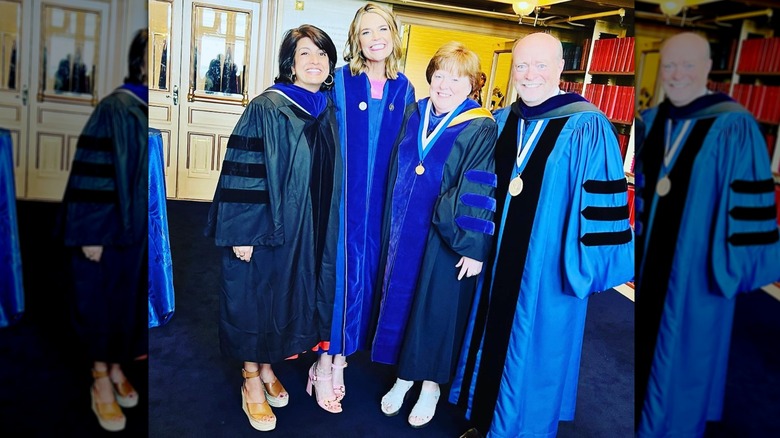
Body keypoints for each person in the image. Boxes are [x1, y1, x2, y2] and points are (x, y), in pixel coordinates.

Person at [449, 32, 634, 438]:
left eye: (540, 65)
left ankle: (522, 430)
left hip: (548, 268)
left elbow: (601, 201)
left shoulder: (588, 125)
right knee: (489, 334)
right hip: (496, 263)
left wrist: (582, 268)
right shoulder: (500, 120)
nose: (529, 74)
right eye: (522, 65)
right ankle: (483, 421)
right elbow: (480, 189)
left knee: (537, 348)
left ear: (560, 69)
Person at [634, 32, 780, 437]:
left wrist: (731, 266)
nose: (677, 74)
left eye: (688, 64)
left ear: (707, 68)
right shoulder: (651, 120)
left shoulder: (734, 125)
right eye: (670, 65)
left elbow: (749, 203)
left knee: (687, 354)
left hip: (697, 269)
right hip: (647, 266)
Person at [204, 24, 342, 431]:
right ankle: (250, 379)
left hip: (308, 229)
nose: (314, 62)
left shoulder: (330, 109)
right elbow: (242, 175)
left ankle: (266, 368)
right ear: (289, 63)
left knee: (281, 297)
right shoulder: (267, 107)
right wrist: (242, 232)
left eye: (321, 54)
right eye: (304, 54)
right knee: (254, 297)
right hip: (266, 227)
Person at [369, 41, 498, 429]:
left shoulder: (480, 125)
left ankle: (429, 386)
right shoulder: (414, 111)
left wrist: (473, 247)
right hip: (402, 227)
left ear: (471, 84)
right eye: (439, 75)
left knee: (436, 308)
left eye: (456, 78)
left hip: (446, 235)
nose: (444, 84)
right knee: (403, 300)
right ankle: (403, 377)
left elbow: (480, 187)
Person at [312, 2, 415, 406]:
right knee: (336, 278)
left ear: (394, 35)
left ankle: (343, 358)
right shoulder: (338, 81)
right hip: (341, 202)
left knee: (366, 280)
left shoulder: (403, 89)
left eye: (382, 30)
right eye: (366, 31)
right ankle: (324, 362)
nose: (375, 39)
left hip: (379, 209)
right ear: (356, 39)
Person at [59, 28, 148, 432]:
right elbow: (91, 173)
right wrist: (91, 233)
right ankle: (99, 376)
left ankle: (114, 366)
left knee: (125, 301)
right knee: (100, 299)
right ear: (140, 62)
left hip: (138, 230)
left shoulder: (148, 107)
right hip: (108, 229)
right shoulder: (116, 107)